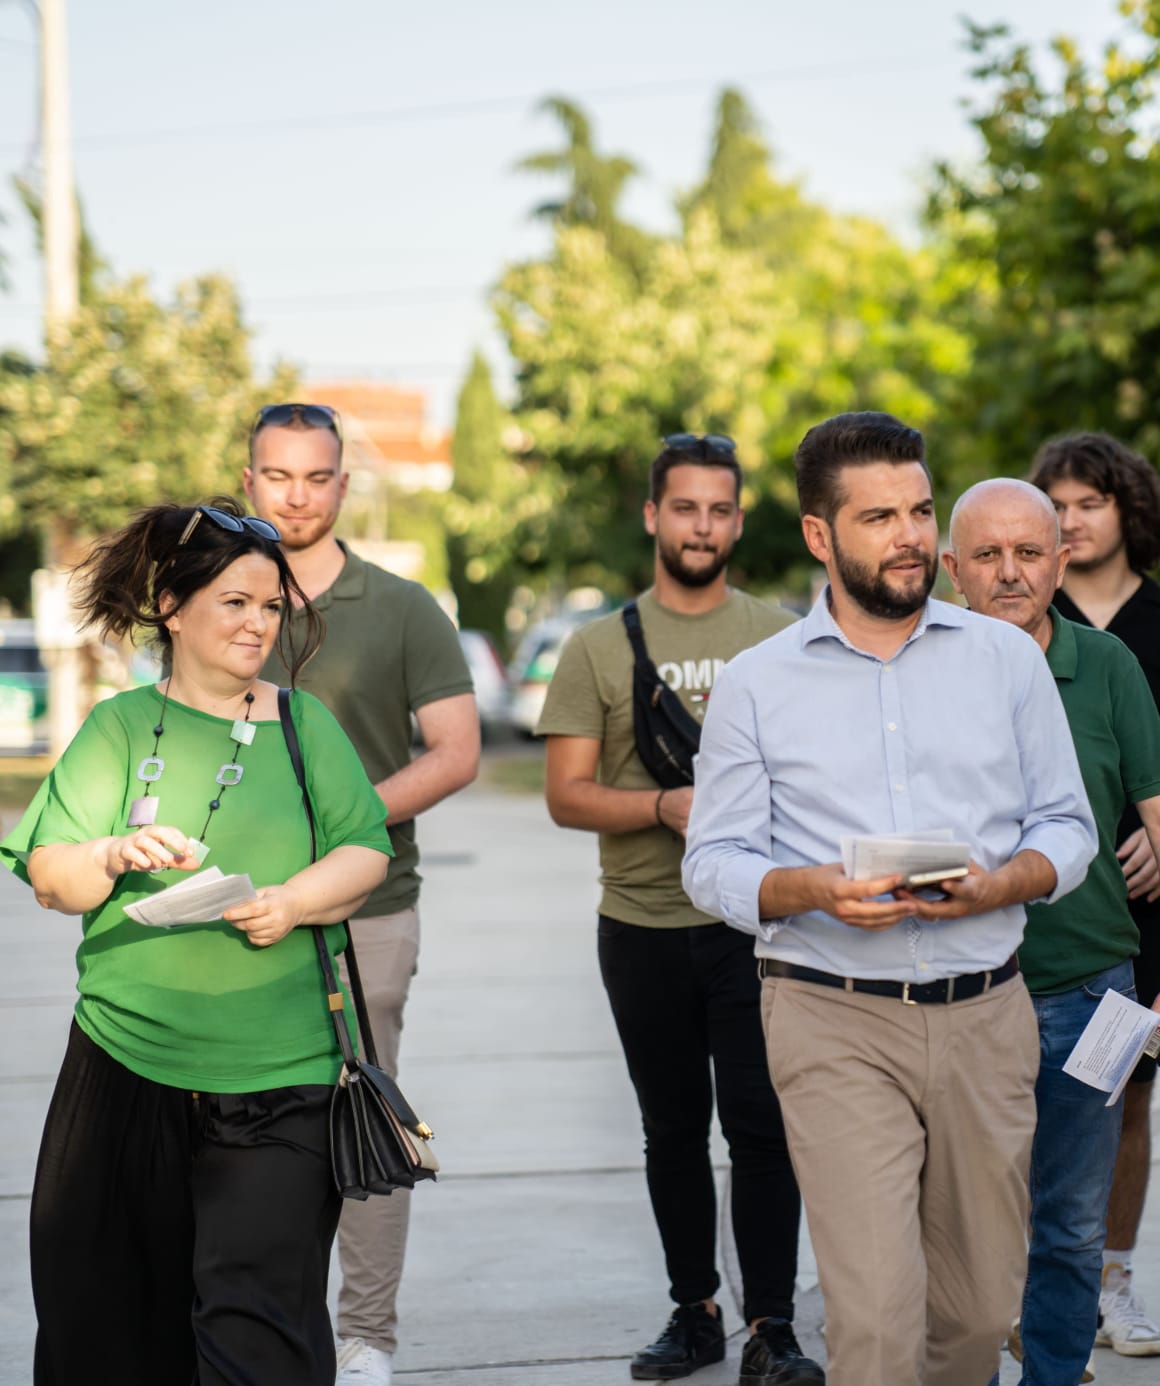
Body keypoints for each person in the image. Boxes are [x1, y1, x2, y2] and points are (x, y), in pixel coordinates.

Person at [683, 412, 1099, 1386]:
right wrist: (812, 890)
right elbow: (714, 864)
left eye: (918, 510)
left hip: (986, 1013)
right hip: (830, 1016)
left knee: (975, 1315)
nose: (910, 535)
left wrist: (1003, 882)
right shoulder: (756, 683)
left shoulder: (1007, 659)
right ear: (820, 536)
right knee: (873, 1321)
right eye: (879, 517)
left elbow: (1068, 831)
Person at [2, 498, 393, 1385]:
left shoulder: (306, 727)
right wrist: (108, 853)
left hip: (282, 1078)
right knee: (103, 1316)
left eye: (270, 606)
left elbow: (367, 847)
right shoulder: (119, 728)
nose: (259, 624)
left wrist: (295, 901)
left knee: (259, 1329)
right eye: (235, 603)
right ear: (174, 608)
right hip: (124, 1068)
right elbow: (49, 876)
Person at [539, 433, 822, 1384]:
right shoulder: (595, 646)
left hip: (756, 925)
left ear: (738, 521)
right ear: (654, 516)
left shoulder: (782, 637)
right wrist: (664, 805)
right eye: (685, 507)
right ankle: (694, 1312)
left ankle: (771, 1329)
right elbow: (566, 794)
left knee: (761, 1127)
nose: (703, 525)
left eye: (720, 509)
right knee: (672, 1130)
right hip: (642, 928)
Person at [941, 478, 1160, 1386]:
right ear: (952, 570)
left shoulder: (1107, 667)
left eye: (1030, 553)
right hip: (956, 993)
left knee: (1068, 1227)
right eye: (987, 555)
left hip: (1090, 992)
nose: (1010, 574)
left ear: (1063, 560)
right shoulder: (918, 671)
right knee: (961, 1226)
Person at [243, 402, 481, 1386]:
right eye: (276, 475)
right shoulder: (221, 597)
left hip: (368, 915)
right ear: (248, 479)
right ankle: (261, 1322)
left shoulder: (402, 608)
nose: (295, 496)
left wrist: (342, 825)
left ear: (343, 486)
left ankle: (368, 1340)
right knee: (250, 1123)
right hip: (240, 911)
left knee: (362, 1115)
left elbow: (458, 752)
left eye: (316, 477)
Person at [1028, 432, 1160, 1358]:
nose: (1071, 520)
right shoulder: (1021, 606)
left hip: (1138, 907)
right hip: (1031, 915)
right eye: (1054, 504)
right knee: (1029, 1111)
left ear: (1127, 510)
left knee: (1128, 1094)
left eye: (1089, 501)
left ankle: (1114, 1280)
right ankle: (1035, 1293)